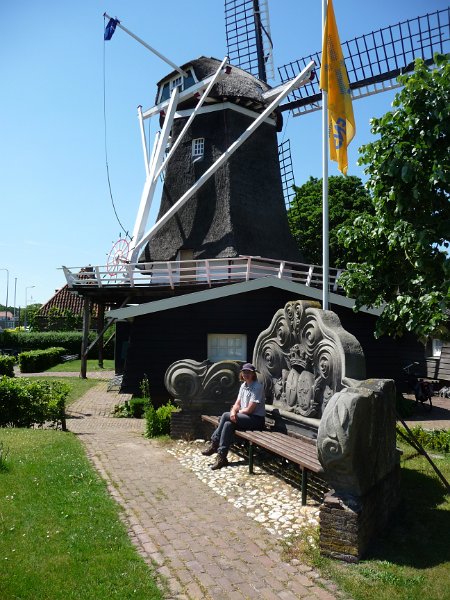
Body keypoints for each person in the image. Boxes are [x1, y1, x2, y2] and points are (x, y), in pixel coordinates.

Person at [202, 363, 266, 470]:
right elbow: (237, 403)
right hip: (244, 418)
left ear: (253, 374)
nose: (246, 374)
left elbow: (250, 410)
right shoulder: (243, 386)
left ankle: (214, 443)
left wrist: (234, 413)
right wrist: (233, 412)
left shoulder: (257, 387)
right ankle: (222, 457)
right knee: (227, 424)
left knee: (225, 416)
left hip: (256, 420)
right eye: (244, 372)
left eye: (249, 372)